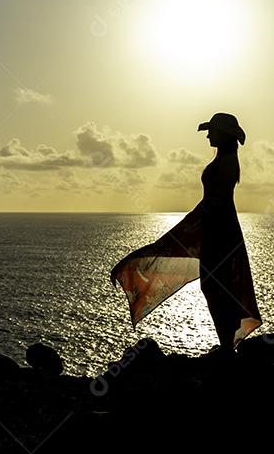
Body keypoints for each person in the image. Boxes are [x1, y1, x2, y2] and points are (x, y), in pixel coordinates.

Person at [110, 112, 262, 352]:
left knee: (218, 286)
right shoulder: (225, 159)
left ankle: (227, 348)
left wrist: (192, 223)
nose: (208, 136)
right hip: (216, 227)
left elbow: (217, 201)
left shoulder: (228, 162)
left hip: (221, 230)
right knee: (214, 285)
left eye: (212, 131)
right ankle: (226, 346)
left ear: (223, 134)